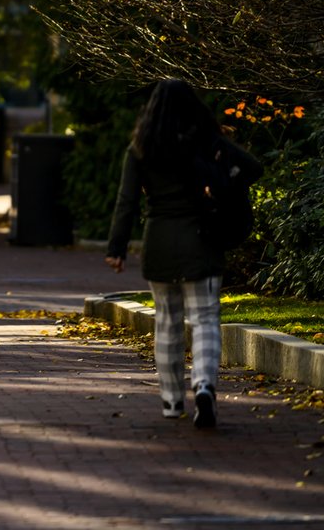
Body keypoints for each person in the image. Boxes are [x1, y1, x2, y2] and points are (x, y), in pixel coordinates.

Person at [104, 79, 262, 429]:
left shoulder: (141, 148)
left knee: (167, 323)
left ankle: (172, 401)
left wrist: (117, 249)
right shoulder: (206, 143)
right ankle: (204, 385)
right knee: (205, 318)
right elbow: (252, 168)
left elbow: (126, 202)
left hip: (158, 243)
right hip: (201, 241)